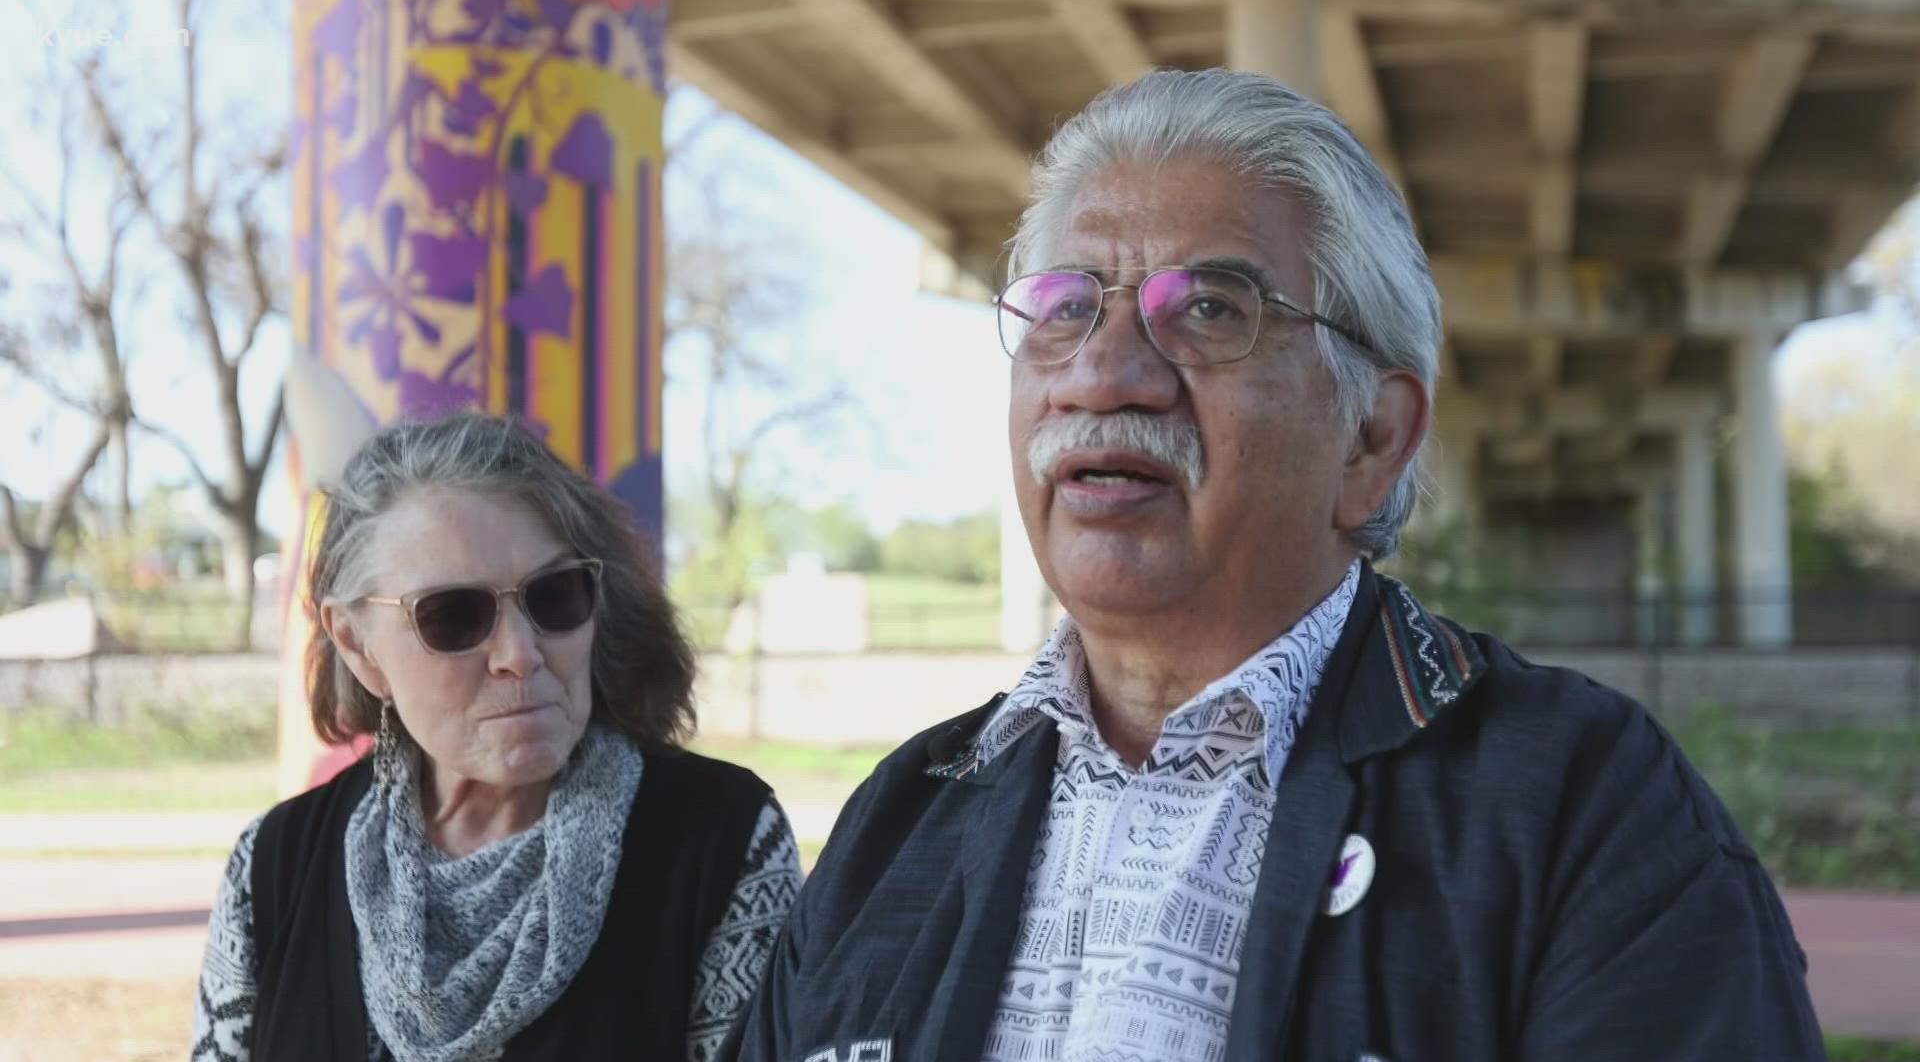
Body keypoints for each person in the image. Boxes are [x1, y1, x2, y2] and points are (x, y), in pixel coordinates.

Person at [722, 69, 1824, 1061]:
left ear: (1373, 440)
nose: (1103, 373)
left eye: (1208, 307)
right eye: (1064, 309)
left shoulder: (1581, 808)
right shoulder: (901, 820)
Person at [191, 412, 801, 1061]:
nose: (520, 652)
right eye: (454, 615)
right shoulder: (276, 866)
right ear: (356, 643)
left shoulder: (720, 840)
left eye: (555, 595)